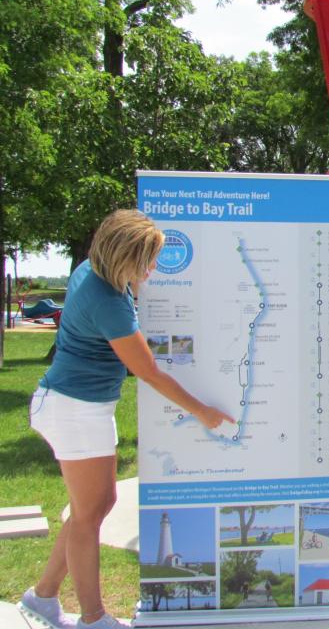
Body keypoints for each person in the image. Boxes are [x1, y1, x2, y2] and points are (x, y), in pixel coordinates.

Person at [18, 209, 233, 629]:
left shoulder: (88, 272)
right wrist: (202, 411)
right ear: (124, 259)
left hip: (79, 405)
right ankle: (93, 618)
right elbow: (149, 371)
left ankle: (42, 596)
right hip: (73, 409)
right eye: (147, 260)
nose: (153, 269)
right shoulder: (109, 304)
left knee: (93, 506)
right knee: (88, 514)